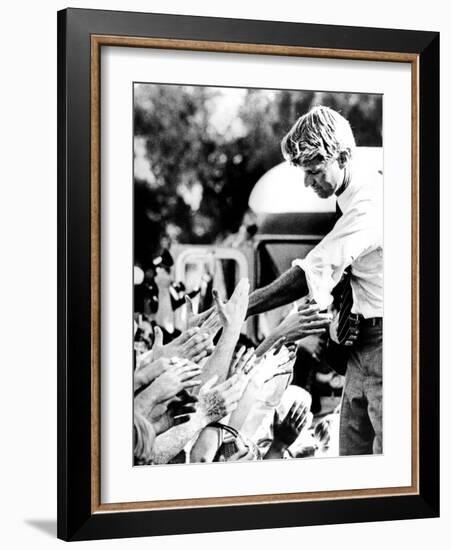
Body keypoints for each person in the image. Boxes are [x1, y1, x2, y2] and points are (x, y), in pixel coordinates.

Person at [246, 105, 383, 456]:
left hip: (386, 347)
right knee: (353, 457)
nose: (309, 183)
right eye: (305, 174)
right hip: (359, 349)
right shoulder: (349, 199)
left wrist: (243, 308)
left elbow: (312, 271)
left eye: (315, 172)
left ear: (344, 156)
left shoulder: (369, 203)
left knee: (388, 465)